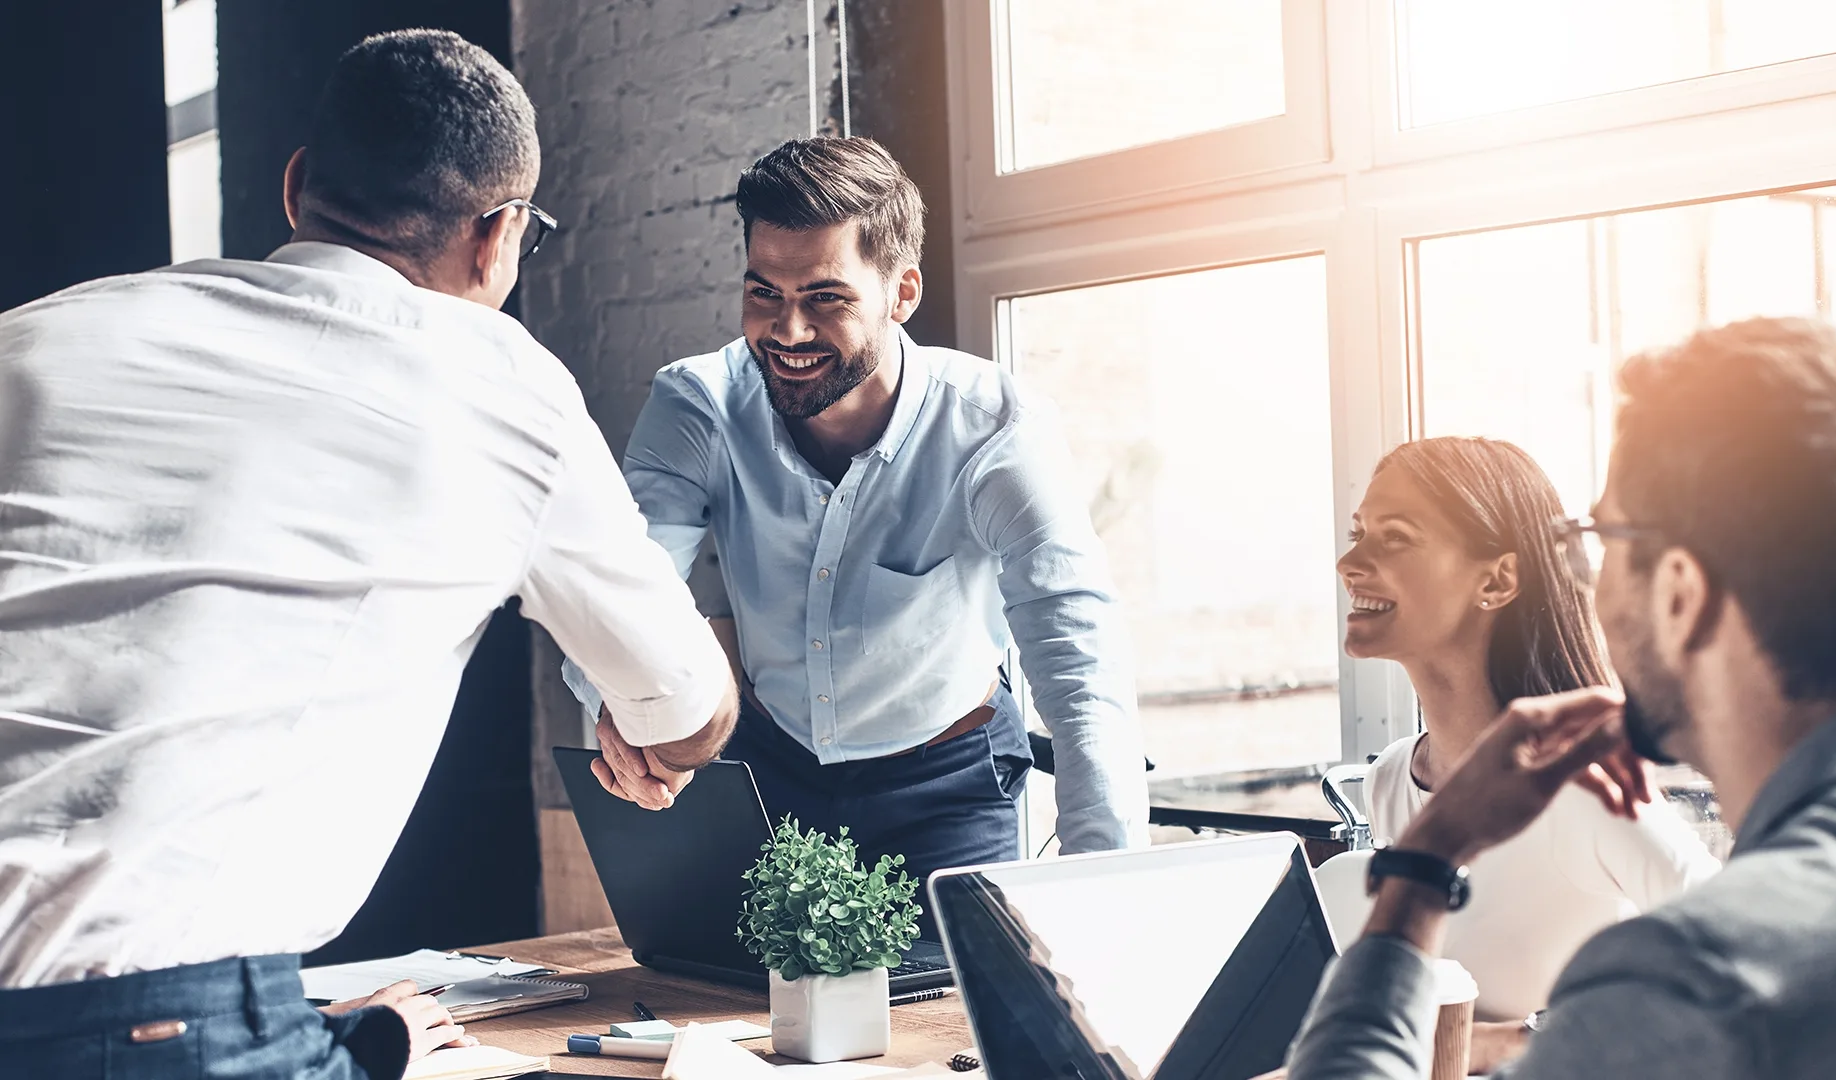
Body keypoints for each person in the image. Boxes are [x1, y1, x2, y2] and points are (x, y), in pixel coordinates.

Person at [0, 30, 736, 1079]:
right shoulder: (496, 384)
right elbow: (685, 708)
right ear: (498, 239)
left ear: (297, 187)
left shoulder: (35, 340)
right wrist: (660, 729)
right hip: (160, 1027)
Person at [1290, 316, 1836, 1078]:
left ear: (1680, 594)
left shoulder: (1692, 979)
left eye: (1602, 538)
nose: (1585, 577)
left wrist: (1425, 863)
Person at [564, 137, 1148, 888]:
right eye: (763, 293)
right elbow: (618, 588)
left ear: (901, 294)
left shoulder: (997, 430)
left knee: (958, 1004)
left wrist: (1106, 879)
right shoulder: (699, 403)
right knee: (732, 1000)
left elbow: (1078, 653)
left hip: (947, 787)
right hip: (769, 769)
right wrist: (623, 705)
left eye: (825, 298)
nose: (788, 331)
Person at [1337, 437, 1718, 1063]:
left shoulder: (1583, 790)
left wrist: (1499, 1042)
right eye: (1358, 534)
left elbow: (1738, 960)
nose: (1351, 562)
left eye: (1394, 537)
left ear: (1498, 579)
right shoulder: (1390, 780)